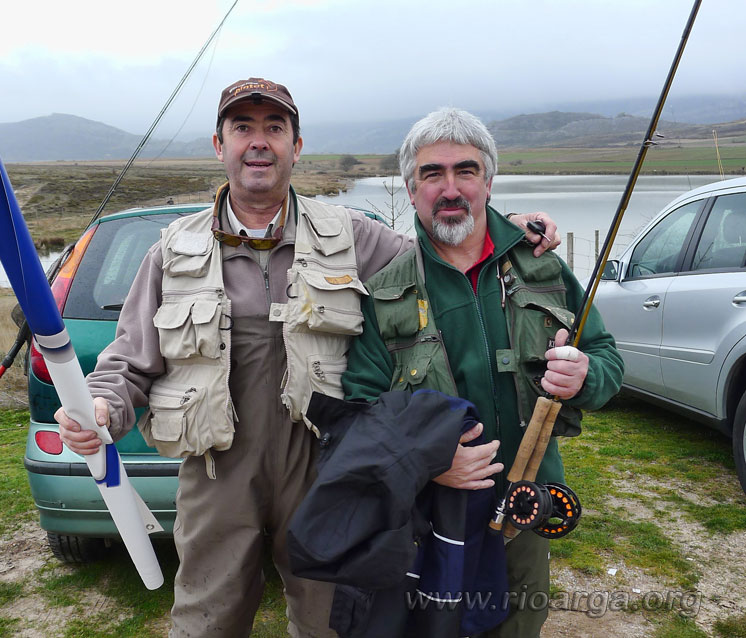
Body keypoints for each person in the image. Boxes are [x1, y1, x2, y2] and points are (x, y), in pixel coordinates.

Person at [55, 79, 560, 638]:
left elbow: (447, 248)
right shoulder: (171, 252)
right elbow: (128, 363)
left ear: (297, 146)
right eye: (242, 127)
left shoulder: (352, 236)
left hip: (326, 471)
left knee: (332, 623)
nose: (259, 142)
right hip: (218, 473)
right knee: (205, 620)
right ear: (218, 144)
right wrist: (102, 408)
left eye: (275, 128)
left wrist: (516, 230)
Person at [341, 107, 624, 638]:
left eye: (465, 171)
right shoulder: (384, 293)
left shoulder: (543, 267)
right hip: (430, 519)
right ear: (410, 189)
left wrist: (585, 376)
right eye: (432, 174)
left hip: (527, 510)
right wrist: (430, 462)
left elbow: (607, 355)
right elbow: (361, 413)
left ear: (488, 182)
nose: (450, 188)